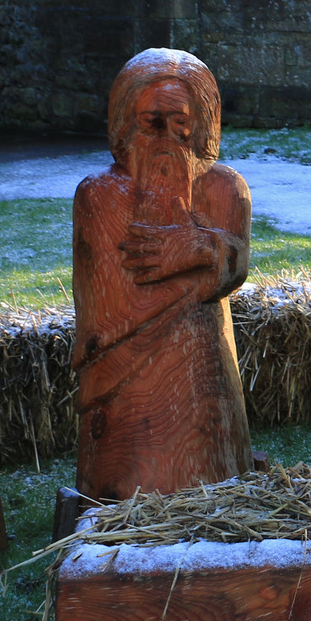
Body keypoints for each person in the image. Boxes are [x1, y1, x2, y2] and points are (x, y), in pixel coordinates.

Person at [72, 49, 254, 503]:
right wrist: (196, 274)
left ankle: (219, 491)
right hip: (131, 374)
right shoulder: (100, 195)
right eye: (153, 123)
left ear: (201, 124)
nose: (168, 138)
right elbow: (108, 300)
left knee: (210, 469)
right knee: (133, 471)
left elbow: (236, 267)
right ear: (127, 124)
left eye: (181, 124)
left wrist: (200, 246)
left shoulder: (223, 187)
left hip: (203, 363)